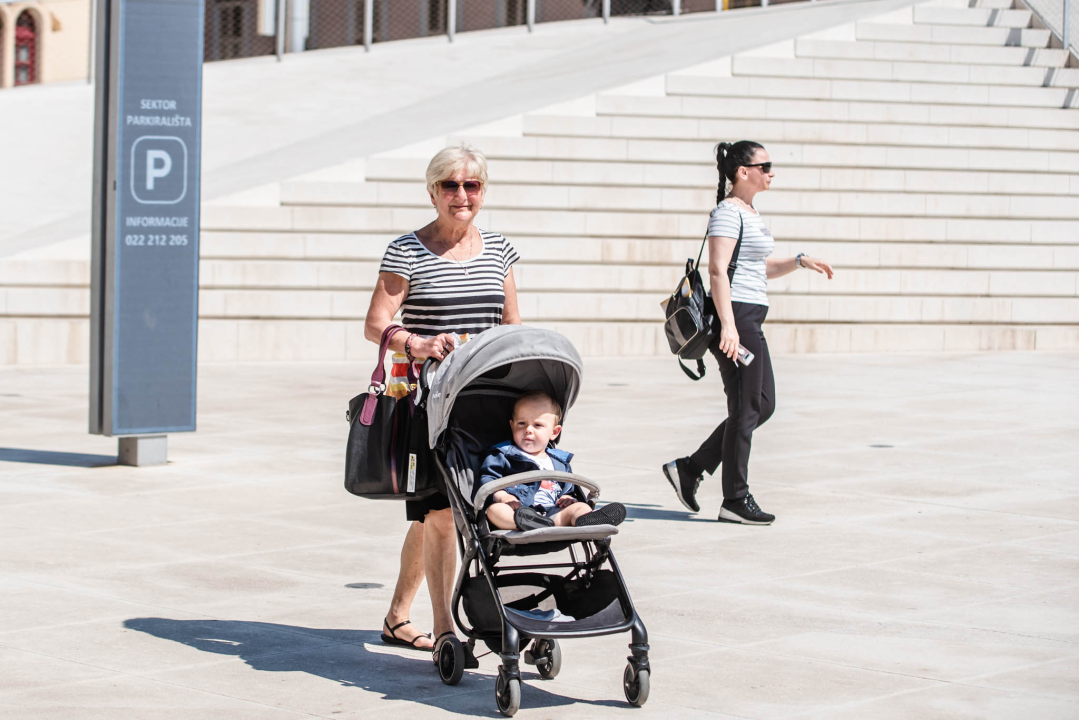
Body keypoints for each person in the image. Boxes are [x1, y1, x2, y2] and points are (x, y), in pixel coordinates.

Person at [364, 145, 521, 659]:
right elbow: (375, 324)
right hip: (428, 404)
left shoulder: (499, 250)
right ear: (432, 192)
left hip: (487, 401)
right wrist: (418, 343)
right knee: (440, 514)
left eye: (471, 185)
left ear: (483, 192)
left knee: (436, 513)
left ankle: (396, 617)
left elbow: (511, 325)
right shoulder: (406, 251)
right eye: (450, 185)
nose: (461, 195)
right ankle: (445, 631)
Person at [662, 140, 834, 526]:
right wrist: (728, 326)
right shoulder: (727, 213)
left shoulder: (749, 212)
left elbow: (758, 267)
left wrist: (799, 261)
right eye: (765, 165)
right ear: (743, 172)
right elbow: (717, 270)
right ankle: (735, 499)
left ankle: (690, 469)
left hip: (749, 318)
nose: (771, 172)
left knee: (762, 404)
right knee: (745, 409)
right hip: (736, 318)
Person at [479, 391, 627, 531]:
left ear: (554, 432)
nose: (528, 429)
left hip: (553, 514)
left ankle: (588, 519)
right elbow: (488, 480)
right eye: (522, 423)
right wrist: (503, 496)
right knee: (495, 510)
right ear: (512, 426)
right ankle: (526, 523)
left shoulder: (559, 462)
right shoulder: (502, 454)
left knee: (581, 507)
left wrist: (567, 498)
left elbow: (567, 488)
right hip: (517, 511)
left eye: (537, 425)